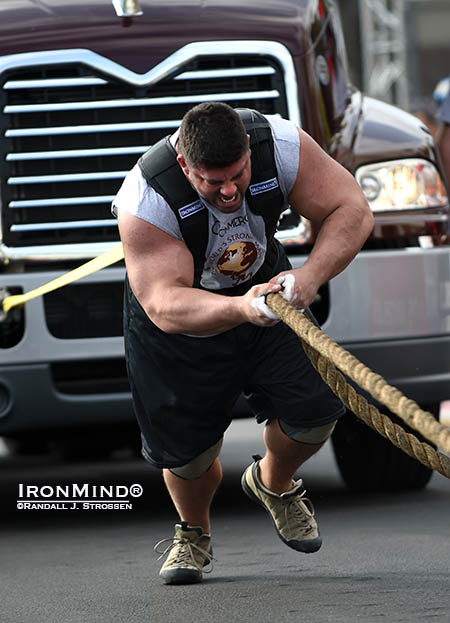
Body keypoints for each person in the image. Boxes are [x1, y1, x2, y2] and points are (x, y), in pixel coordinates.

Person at [113, 102, 373, 585]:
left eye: (238, 175)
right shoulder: (147, 198)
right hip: (181, 316)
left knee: (316, 415)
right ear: (187, 166)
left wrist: (309, 277)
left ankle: (272, 483)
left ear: (247, 151)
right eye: (214, 182)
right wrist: (239, 310)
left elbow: (352, 208)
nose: (230, 190)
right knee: (189, 457)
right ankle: (192, 533)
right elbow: (163, 303)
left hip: (267, 288)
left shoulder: (280, 145)